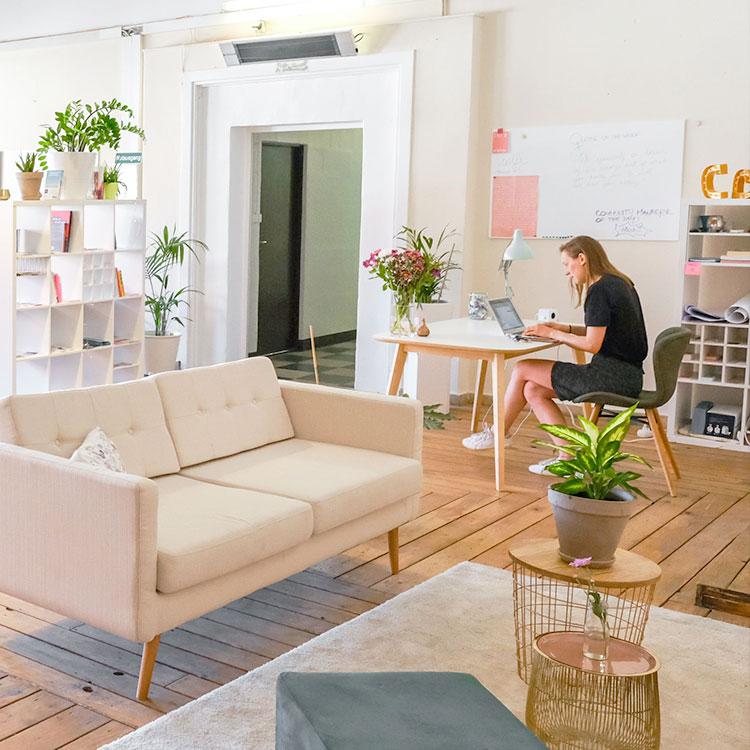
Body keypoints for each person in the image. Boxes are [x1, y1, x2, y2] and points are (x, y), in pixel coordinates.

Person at [463, 235, 648, 475]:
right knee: (532, 389)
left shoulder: (599, 290)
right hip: (627, 375)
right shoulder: (619, 283)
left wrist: (553, 334)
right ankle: (567, 457)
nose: (566, 273)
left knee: (522, 368)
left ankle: (498, 434)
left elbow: (592, 344)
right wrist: (564, 329)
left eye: (566, 264)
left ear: (581, 258)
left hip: (609, 376)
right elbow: (602, 334)